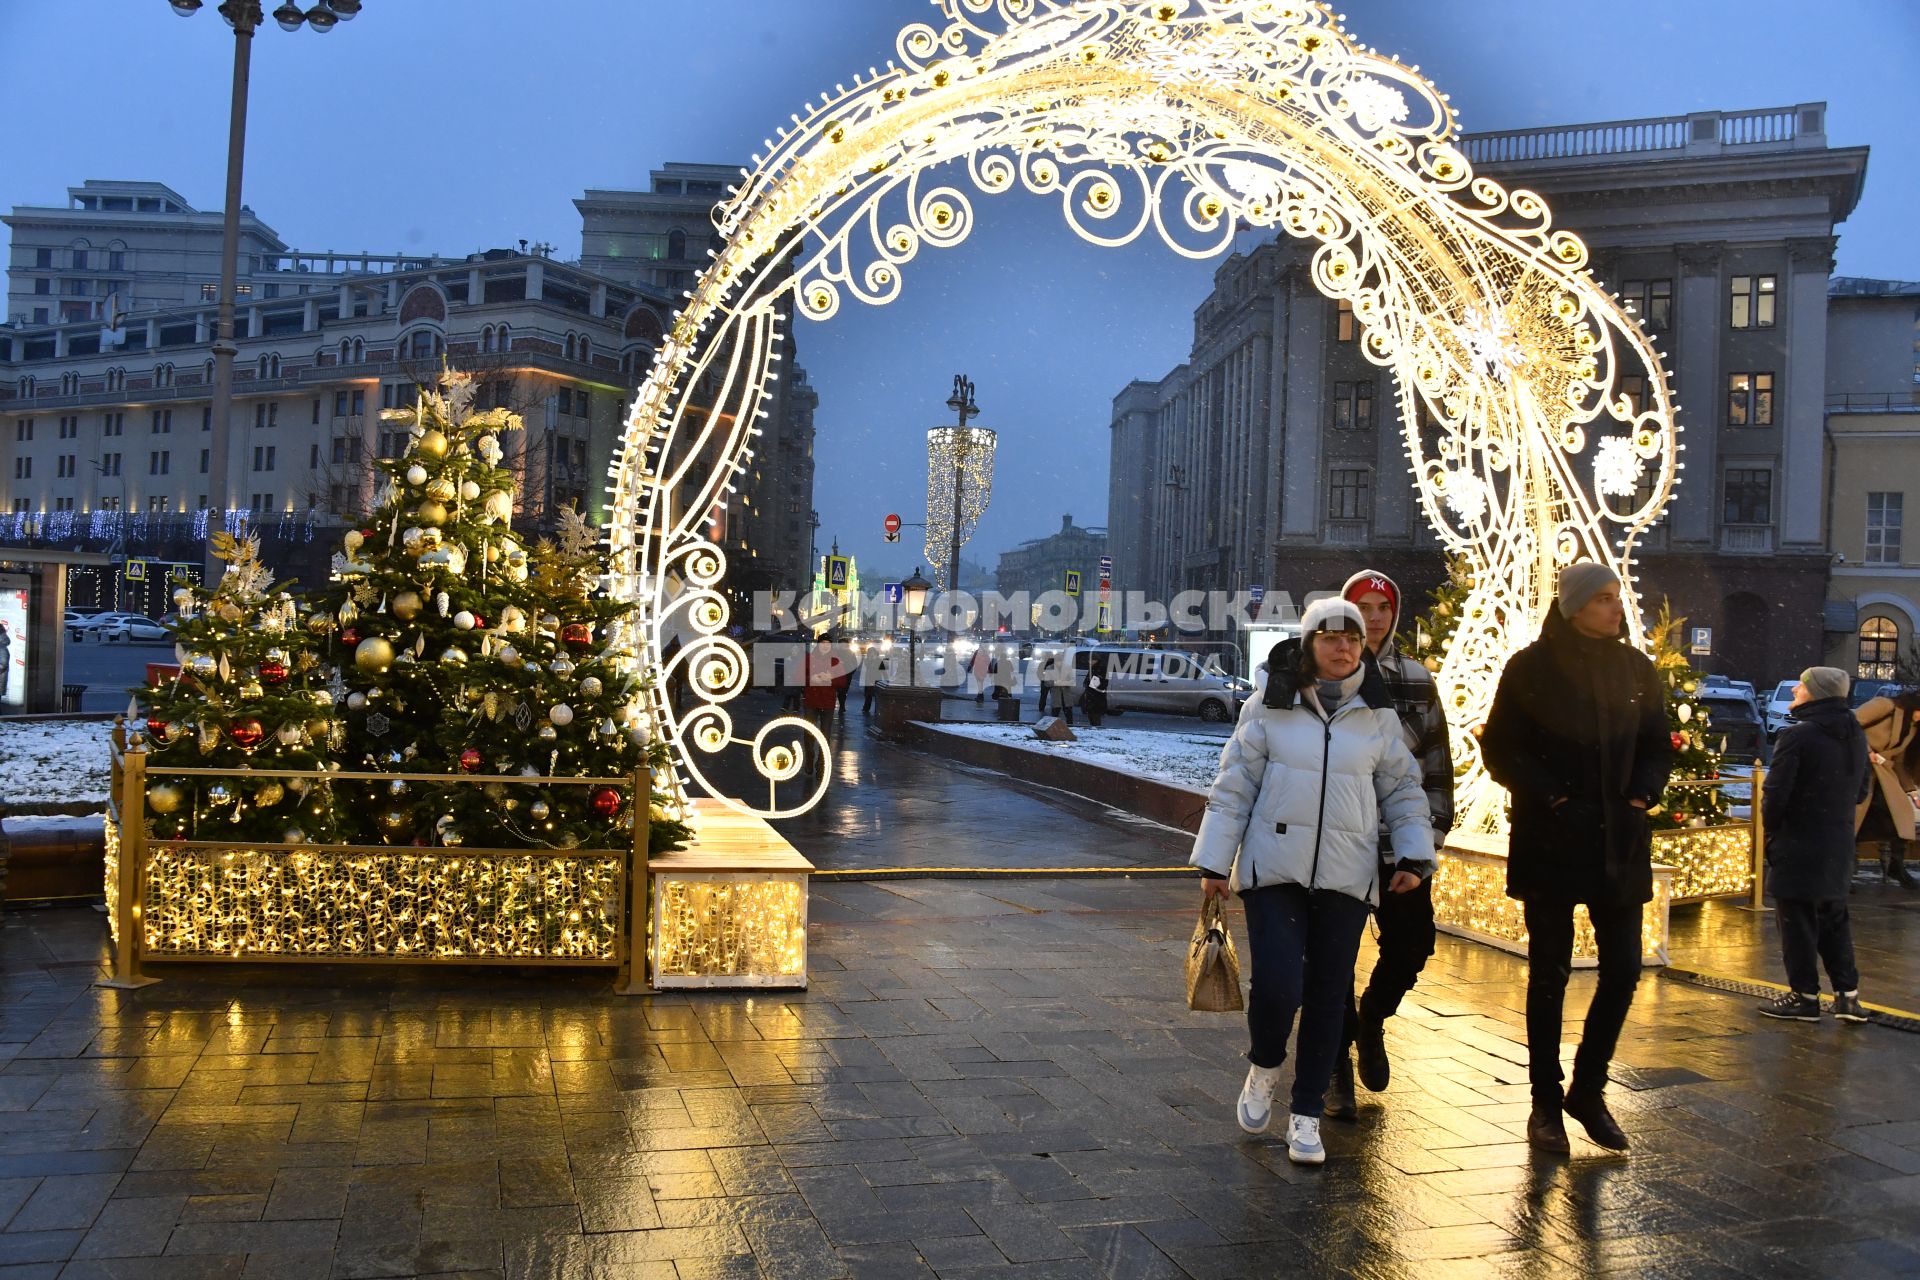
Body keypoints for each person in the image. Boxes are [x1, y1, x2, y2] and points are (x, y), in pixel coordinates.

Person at [1192, 598, 1435, 1167]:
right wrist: (1213, 863)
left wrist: (1412, 856)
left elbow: (1403, 792)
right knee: (1278, 985)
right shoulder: (1269, 706)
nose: (1344, 647)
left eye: (1351, 639)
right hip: (1274, 867)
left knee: (1329, 994)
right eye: (1330, 638)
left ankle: (1305, 1116)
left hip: (1346, 875)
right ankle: (1265, 1063)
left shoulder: (1377, 715)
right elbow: (1234, 786)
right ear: (1309, 645)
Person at [1479, 562, 1672, 1155]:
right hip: (1553, 840)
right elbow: (1502, 748)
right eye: (1605, 599)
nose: (1617, 609)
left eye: (1618, 598)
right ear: (1575, 606)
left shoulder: (1637, 669)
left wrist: (1642, 792)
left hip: (1619, 839)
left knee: (1622, 970)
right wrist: (1555, 796)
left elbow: (1656, 743)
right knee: (1550, 975)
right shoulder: (1531, 668)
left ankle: (1588, 1089)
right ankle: (1545, 1102)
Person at [1327, 570, 1453, 1120]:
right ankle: (1334, 1068)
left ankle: (1372, 1017)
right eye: (1364, 606)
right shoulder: (1327, 678)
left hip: (1398, 845)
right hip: (1337, 845)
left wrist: (1431, 839)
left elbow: (1436, 765)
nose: (1374, 616)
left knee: (1412, 945)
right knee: (1330, 960)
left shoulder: (1415, 680)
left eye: (1383, 606)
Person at [1758, 667, 1872, 1022]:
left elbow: (1775, 795)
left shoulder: (1798, 736)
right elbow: (1862, 790)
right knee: (1834, 918)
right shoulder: (1855, 734)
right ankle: (1848, 997)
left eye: (1801, 687)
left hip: (1798, 841)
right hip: (1837, 842)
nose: (1794, 692)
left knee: (1797, 922)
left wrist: (1773, 831)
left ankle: (1805, 996)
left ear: (1817, 693)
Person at [1854, 690, 1920, 889]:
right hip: (1858, 769)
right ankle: (1845, 871)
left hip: (1883, 776)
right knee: (1853, 820)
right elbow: (1851, 724)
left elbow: (1898, 762)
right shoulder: (1886, 706)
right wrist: (1868, 752)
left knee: (1901, 816)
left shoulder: (1912, 727)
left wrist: (1911, 791)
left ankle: (1896, 866)